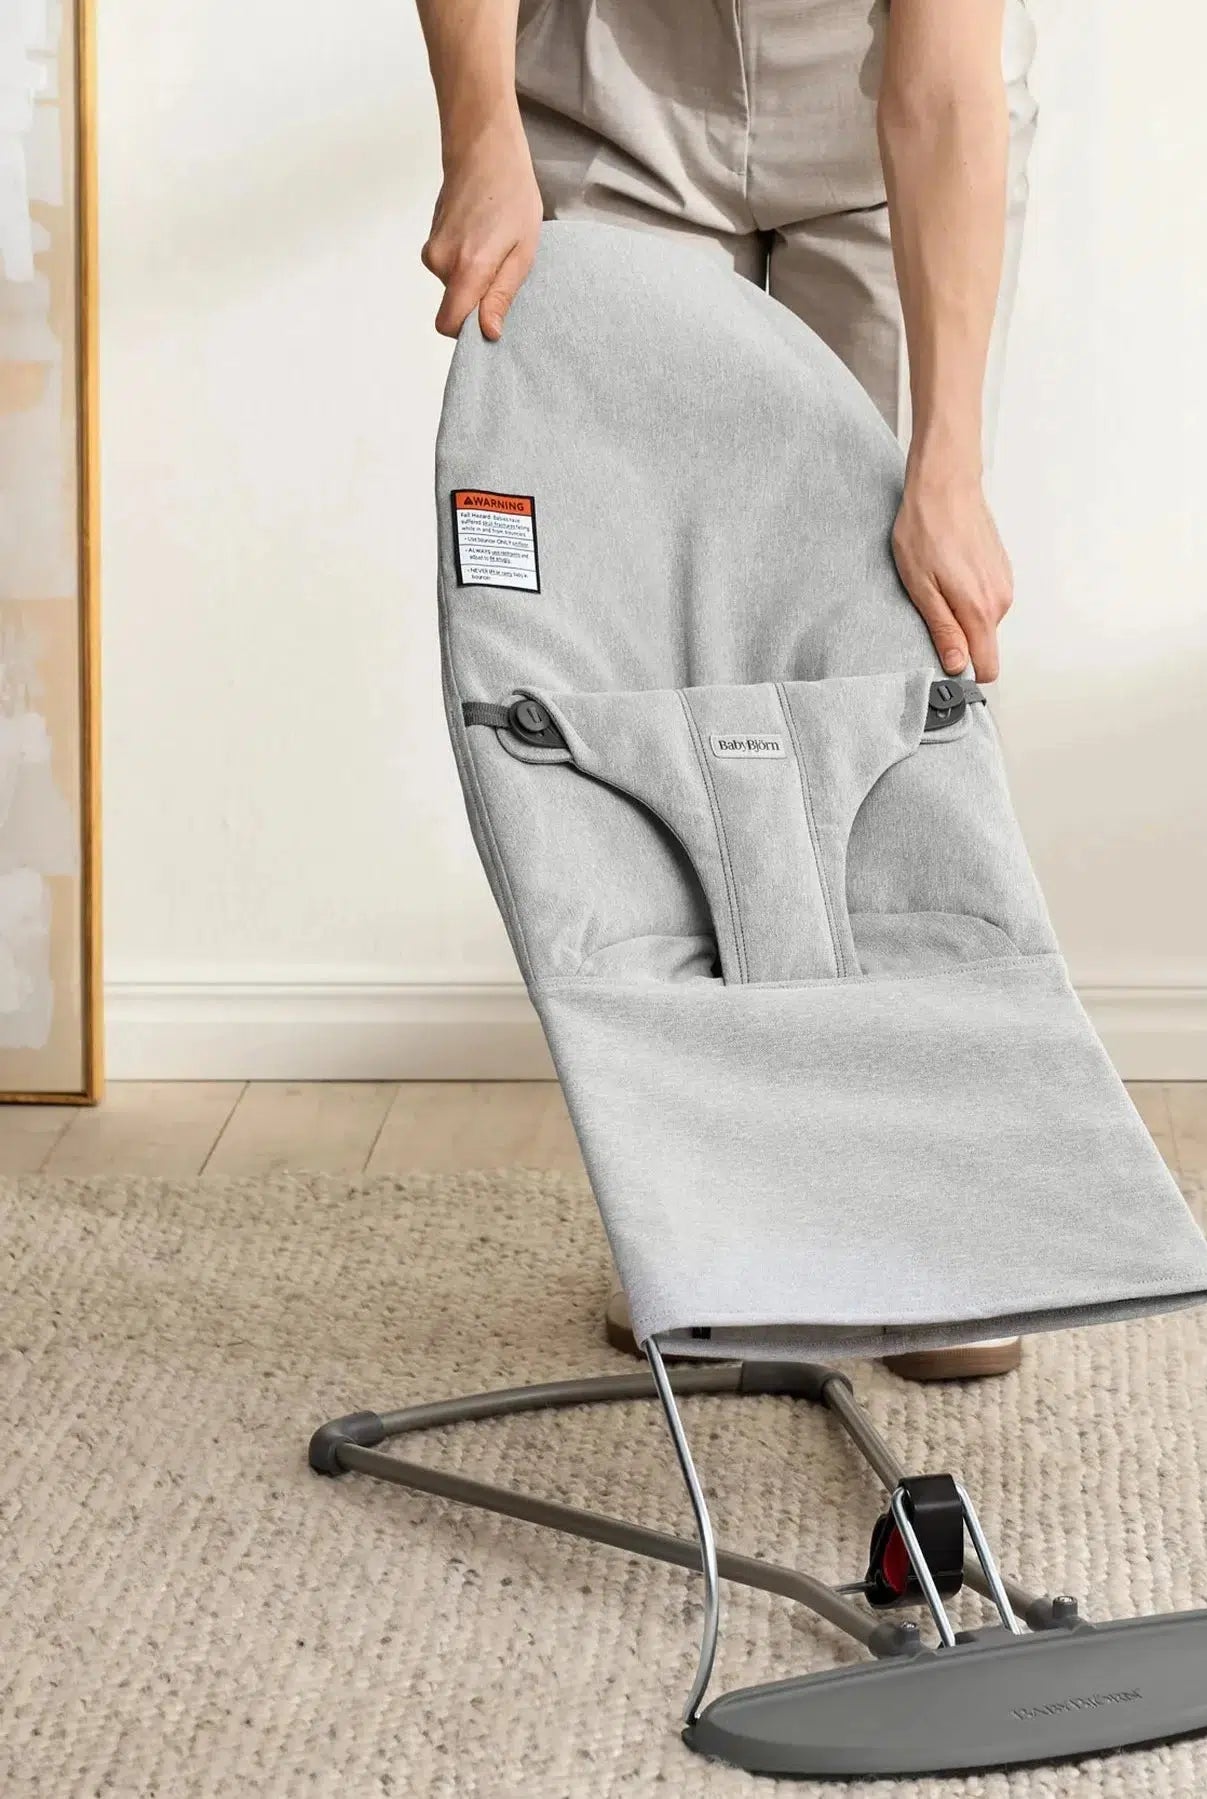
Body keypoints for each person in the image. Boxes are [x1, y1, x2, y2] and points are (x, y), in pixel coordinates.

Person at [414, 0, 1036, 1381]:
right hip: (612, 87)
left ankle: (932, 1204)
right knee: (631, 675)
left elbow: (940, 87)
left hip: (875, 129)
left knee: (888, 658)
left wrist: (946, 467)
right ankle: (701, 1210)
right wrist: (482, 130)